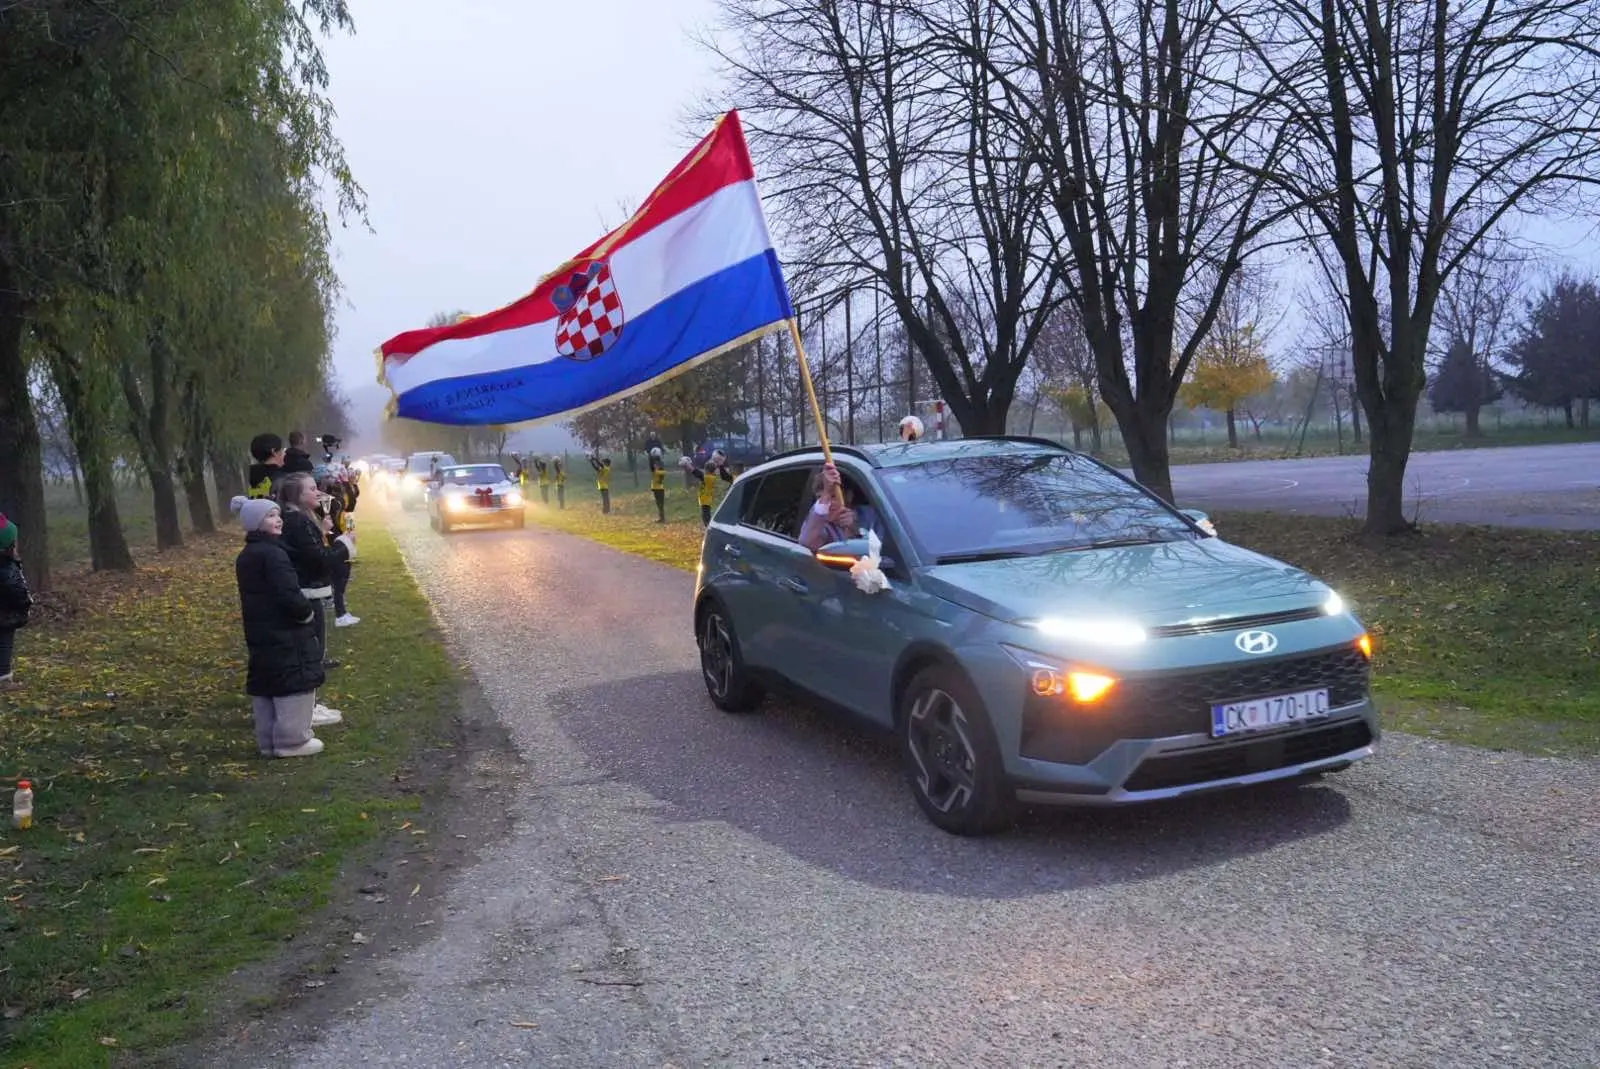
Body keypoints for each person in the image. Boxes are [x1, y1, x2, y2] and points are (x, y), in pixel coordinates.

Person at [231, 496, 325, 758]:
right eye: (271, 517)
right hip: (285, 631)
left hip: (261, 632)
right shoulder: (274, 554)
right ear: (256, 524)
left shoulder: (247, 555)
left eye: (277, 514)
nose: (278, 519)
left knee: (268, 685)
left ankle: (268, 741)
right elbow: (287, 593)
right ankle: (292, 741)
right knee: (293, 680)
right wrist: (305, 614)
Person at [276, 473, 355, 725]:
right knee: (311, 652)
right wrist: (344, 544)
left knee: (314, 650)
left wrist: (322, 532)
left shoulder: (301, 519)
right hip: (306, 592)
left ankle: (310, 704)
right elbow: (318, 559)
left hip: (309, 590)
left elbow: (308, 551)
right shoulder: (298, 521)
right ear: (298, 496)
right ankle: (306, 710)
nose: (318, 494)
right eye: (311, 489)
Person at [320, 471, 359, 628]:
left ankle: (341, 611)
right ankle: (340, 613)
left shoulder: (336, 494)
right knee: (340, 577)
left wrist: (350, 484)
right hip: (334, 539)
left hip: (341, 535)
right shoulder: (326, 499)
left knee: (342, 576)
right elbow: (343, 510)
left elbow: (350, 507)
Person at [0, 513, 34, 689]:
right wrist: (25, 605)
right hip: (5, 614)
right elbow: (17, 591)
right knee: (4, 643)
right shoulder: (7, 568)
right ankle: (4, 679)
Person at [799, 463, 862, 551]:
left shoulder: (872, 515)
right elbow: (807, 543)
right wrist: (826, 492)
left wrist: (855, 529)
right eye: (820, 497)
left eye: (833, 496)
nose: (828, 504)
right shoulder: (817, 521)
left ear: (849, 496)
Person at [687, 450, 733, 527]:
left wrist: (687, 464)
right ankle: (709, 526)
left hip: (705, 500)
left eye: (705, 470)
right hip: (706, 499)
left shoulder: (708, 478)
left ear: (707, 470)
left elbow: (696, 472)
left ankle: (709, 528)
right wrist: (718, 463)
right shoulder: (711, 476)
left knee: (706, 516)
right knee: (706, 514)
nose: (704, 471)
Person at [247, 433, 287, 499]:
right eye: (282, 449)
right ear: (273, 451)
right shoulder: (283, 479)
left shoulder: (252, 475)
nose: (284, 453)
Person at [648, 448, 667, 523]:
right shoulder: (655, 470)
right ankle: (661, 517)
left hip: (659, 488)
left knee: (660, 504)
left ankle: (662, 518)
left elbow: (663, 473)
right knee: (658, 503)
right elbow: (651, 465)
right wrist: (651, 456)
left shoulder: (659, 471)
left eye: (657, 465)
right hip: (655, 488)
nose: (655, 465)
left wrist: (658, 465)